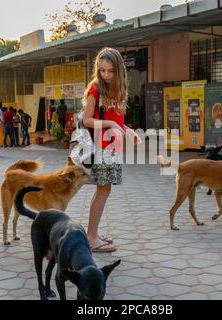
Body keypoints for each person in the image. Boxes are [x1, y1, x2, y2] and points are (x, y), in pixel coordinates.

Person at [82, 47, 142, 253]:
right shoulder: (95, 89)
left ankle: (94, 233)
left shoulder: (118, 88)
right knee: (103, 190)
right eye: (102, 70)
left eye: (110, 71)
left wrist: (128, 131)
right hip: (100, 147)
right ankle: (90, 237)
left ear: (119, 70)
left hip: (111, 146)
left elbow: (117, 121)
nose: (106, 75)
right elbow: (87, 119)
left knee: (105, 190)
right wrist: (110, 124)